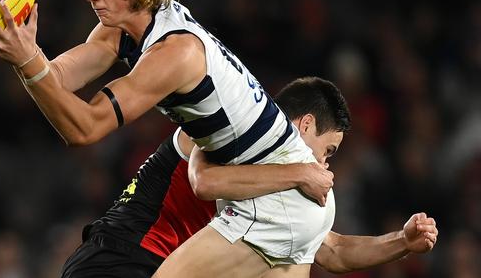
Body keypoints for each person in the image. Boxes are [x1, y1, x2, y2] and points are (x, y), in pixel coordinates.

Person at [0, 0, 432, 277]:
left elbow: (84, 127)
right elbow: (57, 77)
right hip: (282, 199)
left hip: (277, 200)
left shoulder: (176, 52)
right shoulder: (126, 29)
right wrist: (14, 39)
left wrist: (28, 61)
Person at [60, 76, 438, 278]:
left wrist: (401, 242)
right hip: (120, 256)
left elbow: (332, 251)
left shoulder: (282, 191)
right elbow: (203, 182)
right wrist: (300, 172)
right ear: (304, 124)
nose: (325, 165)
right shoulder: (234, 125)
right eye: (328, 151)